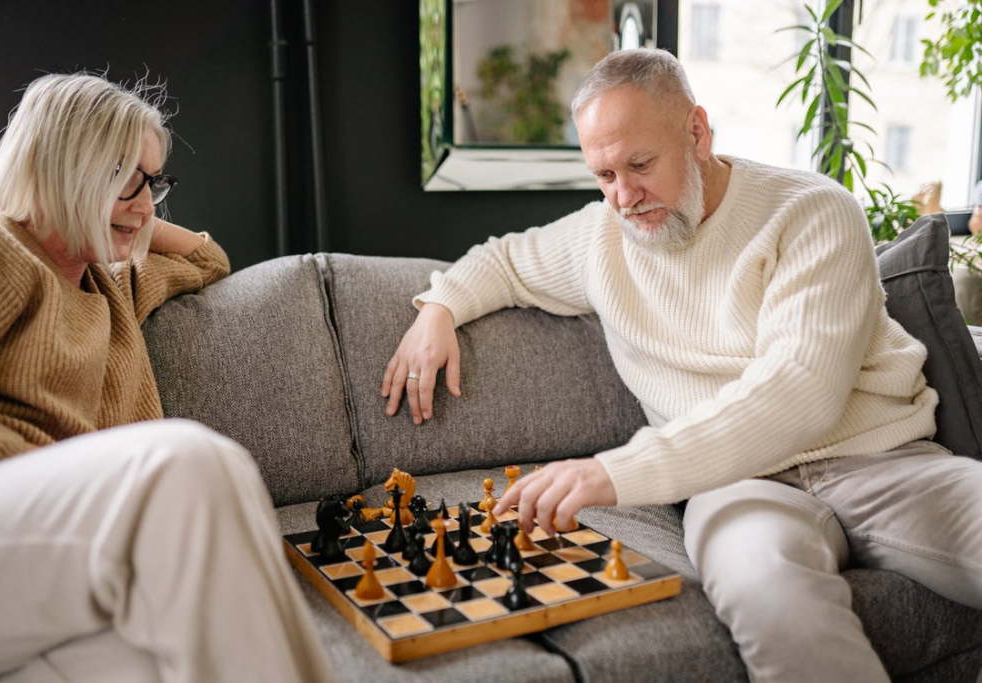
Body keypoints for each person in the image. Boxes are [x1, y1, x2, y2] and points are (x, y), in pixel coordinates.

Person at [381, 48, 982, 682]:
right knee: (768, 593)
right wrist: (438, 308)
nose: (624, 197)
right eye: (604, 175)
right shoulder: (600, 236)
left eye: (640, 164)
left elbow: (802, 390)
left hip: (883, 463)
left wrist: (613, 471)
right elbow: (503, 262)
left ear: (696, 131)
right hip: (738, 489)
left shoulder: (813, 211)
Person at [0, 73, 331, 683]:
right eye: (129, 178)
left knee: (153, 655)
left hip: (64, 560)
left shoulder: (114, 285)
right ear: (64, 164)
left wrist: (126, 218)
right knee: (188, 464)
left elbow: (211, 258)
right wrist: (69, 473)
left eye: (154, 183)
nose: (149, 202)